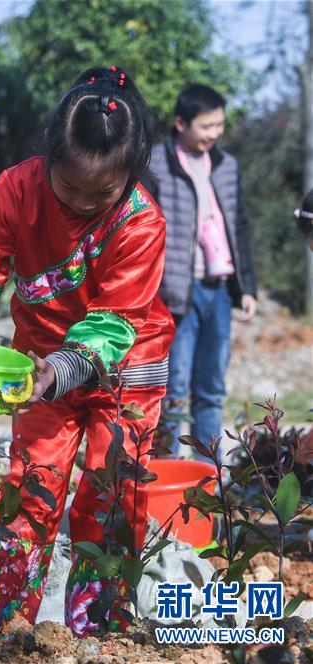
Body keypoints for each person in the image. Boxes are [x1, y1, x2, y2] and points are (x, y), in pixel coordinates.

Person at [0, 66, 174, 637]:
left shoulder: (142, 221)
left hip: (125, 369)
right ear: (48, 161)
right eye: (71, 189)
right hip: (37, 367)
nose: (86, 203)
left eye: (103, 193)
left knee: (112, 491)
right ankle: (2, 622)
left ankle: (98, 631)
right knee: (30, 486)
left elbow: (115, 323)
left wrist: (62, 368)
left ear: (131, 174)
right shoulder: (17, 189)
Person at [145, 84, 257, 456]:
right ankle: (171, 471)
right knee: (174, 390)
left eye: (219, 125)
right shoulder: (157, 163)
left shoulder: (226, 165)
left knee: (211, 388)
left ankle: (212, 478)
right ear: (181, 123)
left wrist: (247, 288)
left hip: (219, 289)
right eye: (206, 126)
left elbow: (238, 225)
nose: (214, 133)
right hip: (175, 293)